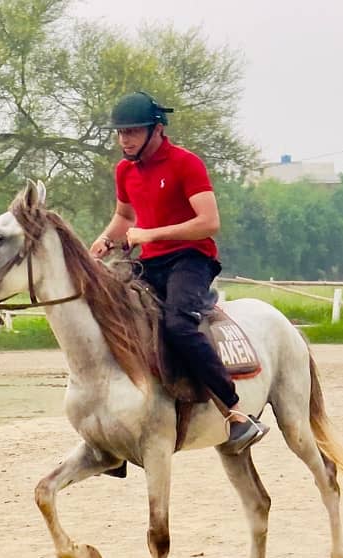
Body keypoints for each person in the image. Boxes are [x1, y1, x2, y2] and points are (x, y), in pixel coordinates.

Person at [90, 91, 269, 455]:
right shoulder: (125, 169)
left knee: (178, 324)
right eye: (120, 132)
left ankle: (234, 413)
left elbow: (209, 223)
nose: (124, 139)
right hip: (149, 262)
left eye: (133, 132)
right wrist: (106, 239)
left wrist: (151, 234)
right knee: (112, 316)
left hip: (191, 259)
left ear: (157, 129)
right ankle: (116, 423)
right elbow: (125, 217)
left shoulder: (186, 163)